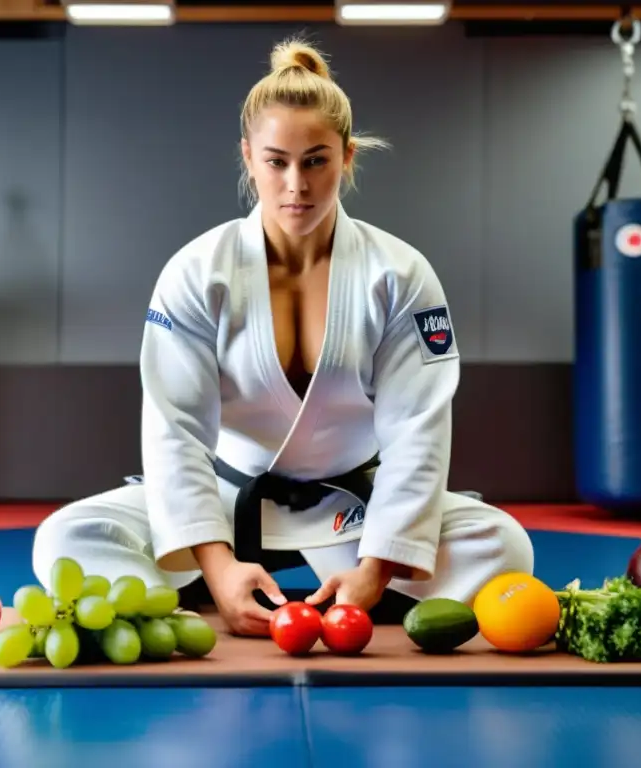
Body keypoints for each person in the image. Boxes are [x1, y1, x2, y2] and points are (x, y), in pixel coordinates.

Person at [32, 37, 535, 637]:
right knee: (65, 538)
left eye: (316, 160)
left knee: (504, 546)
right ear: (248, 157)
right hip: (223, 502)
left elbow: (417, 430)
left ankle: (300, 590)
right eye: (276, 161)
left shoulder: (399, 274)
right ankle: (217, 586)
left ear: (348, 157)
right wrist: (216, 563)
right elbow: (175, 428)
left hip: (350, 511)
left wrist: (376, 569)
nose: (296, 183)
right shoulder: (198, 271)